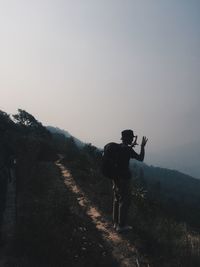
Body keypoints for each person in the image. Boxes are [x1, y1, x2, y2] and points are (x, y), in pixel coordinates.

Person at [112, 129, 148, 233]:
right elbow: (141, 158)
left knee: (117, 199)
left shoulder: (118, 147)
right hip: (124, 179)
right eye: (131, 137)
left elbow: (124, 154)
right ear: (128, 138)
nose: (132, 139)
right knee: (125, 201)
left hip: (115, 178)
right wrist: (142, 146)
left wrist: (131, 146)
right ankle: (121, 225)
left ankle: (115, 223)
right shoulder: (127, 150)